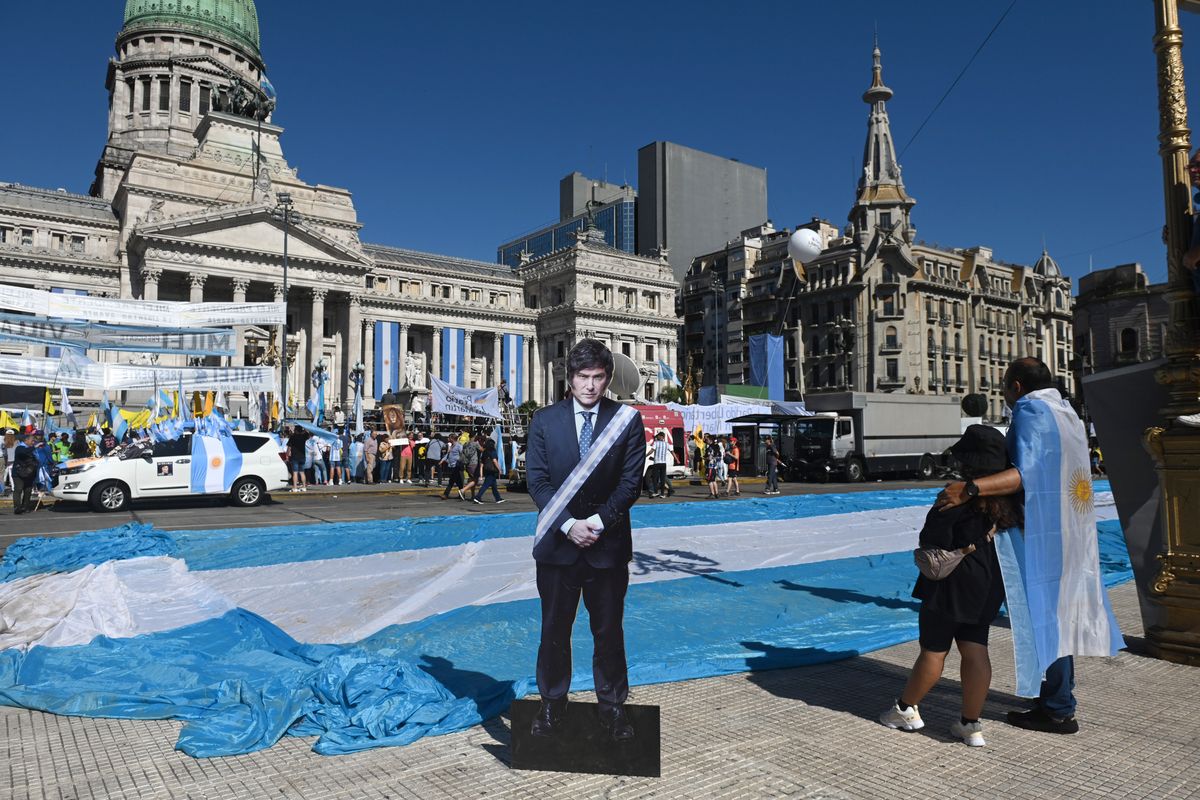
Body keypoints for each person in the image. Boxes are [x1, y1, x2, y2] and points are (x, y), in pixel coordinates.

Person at [936, 357, 1122, 735]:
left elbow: (1027, 473)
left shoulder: (1032, 411)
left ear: (1016, 386)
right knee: (1057, 613)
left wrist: (969, 489)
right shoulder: (1065, 410)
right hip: (1070, 526)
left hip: (1042, 531)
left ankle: (1057, 708)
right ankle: (1057, 697)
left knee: (1045, 614)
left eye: (1005, 387)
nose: (1005, 395)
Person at [526, 339, 645, 741]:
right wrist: (567, 526)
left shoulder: (626, 421)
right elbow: (537, 482)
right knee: (554, 632)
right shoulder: (544, 421)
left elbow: (631, 485)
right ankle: (551, 704)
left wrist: (595, 522)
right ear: (569, 377)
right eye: (582, 377)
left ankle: (612, 708)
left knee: (609, 633)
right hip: (558, 549)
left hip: (606, 547)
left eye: (597, 378)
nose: (590, 386)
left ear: (608, 378)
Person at [880, 425, 1017, 747]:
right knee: (975, 647)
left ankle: (905, 709)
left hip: (950, 582)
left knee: (934, 648)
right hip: (989, 581)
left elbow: (931, 539)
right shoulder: (1009, 498)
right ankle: (971, 724)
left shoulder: (955, 495)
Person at [472, 438, 506, 504]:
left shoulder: (484, 452)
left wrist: (481, 474)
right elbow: (494, 461)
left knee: (494, 486)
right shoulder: (493, 451)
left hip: (486, 470)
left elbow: (482, 464)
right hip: (492, 470)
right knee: (486, 485)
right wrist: (499, 469)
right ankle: (477, 497)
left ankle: (498, 498)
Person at [11, 431, 38, 514]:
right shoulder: (20, 447)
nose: (33, 443)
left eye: (34, 441)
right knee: (18, 489)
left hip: (29, 473)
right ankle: (17, 508)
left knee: (28, 490)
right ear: (26, 440)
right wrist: (35, 447)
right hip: (18, 473)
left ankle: (25, 507)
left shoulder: (31, 449)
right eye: (32, 441)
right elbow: (24, 452)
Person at [285, 426, 309, 492]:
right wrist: (304, 428)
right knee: (302, 472)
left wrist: (287, 455)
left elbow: (289, 448)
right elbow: (308, 433)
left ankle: (295, 487)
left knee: (295, 473)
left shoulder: (292, 437)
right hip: (302, 457)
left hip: (294, 457)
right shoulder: (303, 437)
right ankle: (304, 487)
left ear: (296, 430)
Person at [649, 431, 670, 499]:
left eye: (658, 436)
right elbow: (672, 452)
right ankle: (662, 494)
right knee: (662, 479)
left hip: (657, 463)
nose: (657, 437)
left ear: (661, 436)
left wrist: (645, 455)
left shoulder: (656, 443)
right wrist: (677, 459)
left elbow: (651, 451)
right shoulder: (667, 444)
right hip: (663, 463)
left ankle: (655, 492)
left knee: (655, 478)